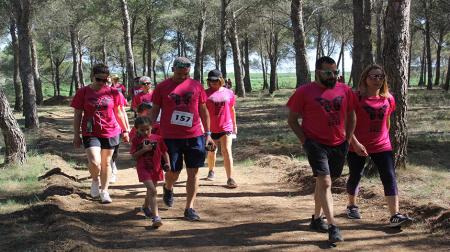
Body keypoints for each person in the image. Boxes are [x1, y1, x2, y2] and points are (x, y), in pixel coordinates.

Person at [287, 56, 356, 243]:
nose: (332, 76)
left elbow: (351, 115)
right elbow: (292, 120)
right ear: (318, 72)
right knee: (325, 182)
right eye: (328, 72)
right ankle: (333, 226)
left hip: (339, 144)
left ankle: (317, 218)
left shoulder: (345, 90)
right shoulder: (304, 92)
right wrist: (305, 141)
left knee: (323, 182)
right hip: (315, 144)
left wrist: (348, 140)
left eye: (335, 72)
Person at [345, 64, 413, 227]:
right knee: (355, 174)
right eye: (373, 76)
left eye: (380, 76)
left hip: (382, 145)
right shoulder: (355, 97)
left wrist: (383, 138)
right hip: (357, 145)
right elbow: (346, 124)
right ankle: (351, 205)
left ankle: (395, 215)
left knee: (389, 177)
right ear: (365, 78)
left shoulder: (388, 98)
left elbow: (387, 121)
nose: (377, 79)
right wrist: (354, 143)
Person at [148, 56, 215, 221]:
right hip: (170, 136)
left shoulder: (196, 86)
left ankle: (189, 208)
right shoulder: (162, 87)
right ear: (173, 70)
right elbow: (154, 110)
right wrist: (148, 132)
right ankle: (168, 187)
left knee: (193, 172)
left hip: (195, 135)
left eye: (185, 74)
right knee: (173, 172)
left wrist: (208, 134)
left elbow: (203, 111)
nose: (182, 77)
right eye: (179, 74)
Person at [71, 63, 130, 203]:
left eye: (105, 80)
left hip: (111, 131)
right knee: (95, 162)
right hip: (90, 131)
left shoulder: (114, 92)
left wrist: (126, 130)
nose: (102, 83)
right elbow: (78, 114)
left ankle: (104, 191)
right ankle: (95, 179)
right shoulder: (83, 92)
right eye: (99, 79)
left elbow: (120, 112)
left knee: (106, 163)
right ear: (92, 77)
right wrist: (76, 134)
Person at [130, 116, 170, 228]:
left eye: (147, 129)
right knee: (152, 190)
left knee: (150, 191)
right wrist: (144, 150)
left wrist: (167, 163)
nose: (145, 132)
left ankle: (145, 207)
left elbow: (164, 152)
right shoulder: (136, 140)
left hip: (156, 169)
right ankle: (156, 217)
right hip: (143, 169)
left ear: (151, 127)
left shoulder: (158, 138)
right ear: (136, 129)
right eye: (142, 130)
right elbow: (134, 156)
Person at [204, 69, 238, 188]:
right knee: (211, 152)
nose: (213, 83)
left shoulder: (229, 92)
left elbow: (232, 109)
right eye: (210, 80)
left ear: (221, 80)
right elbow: (201, 112)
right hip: (210, 129)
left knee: (226, 151)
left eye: (215, 80)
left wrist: (234, 125)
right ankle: (211, 170)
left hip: (226, 127)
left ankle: (230, 178)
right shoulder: (204, 94)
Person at [106, 77, 130, 183]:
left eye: (108, 82)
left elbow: (122, 111)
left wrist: (126, 127)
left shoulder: (117, 94)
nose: (106, 84)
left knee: (114, 151)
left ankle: (113, 163)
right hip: (104, 127)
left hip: (116, 126)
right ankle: (109, 170)